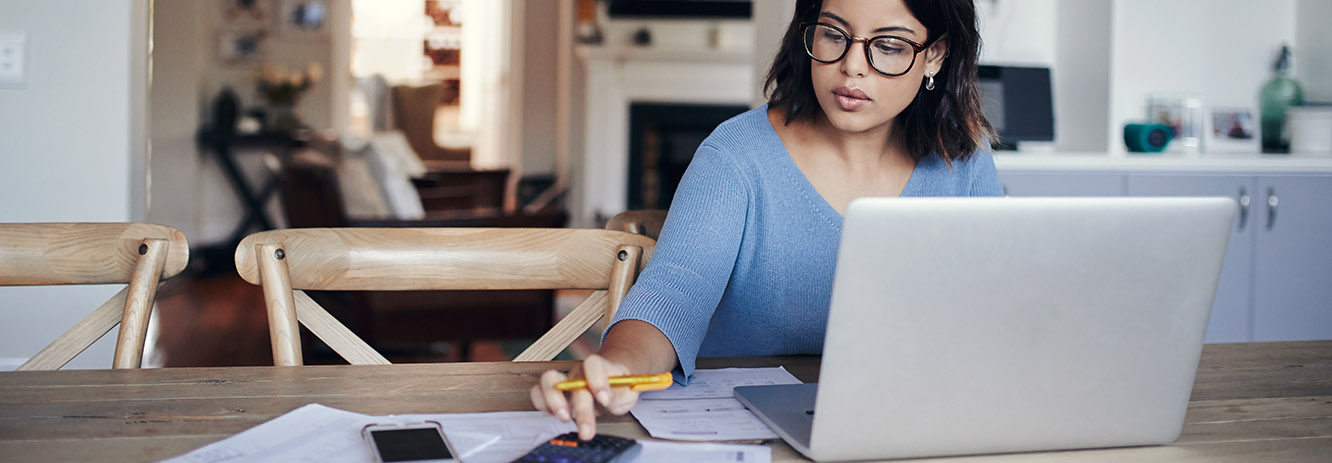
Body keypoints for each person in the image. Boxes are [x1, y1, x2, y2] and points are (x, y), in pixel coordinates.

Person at [532, 0, 1003, 440]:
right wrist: (618, 365)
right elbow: (673, 293)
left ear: (936, 56)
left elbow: (993, 315)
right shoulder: (736, 155)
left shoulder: (963, 161)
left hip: (905, 427)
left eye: (890, 46)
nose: (852, 65)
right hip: (741, 434)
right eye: (833, 35)